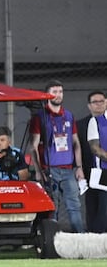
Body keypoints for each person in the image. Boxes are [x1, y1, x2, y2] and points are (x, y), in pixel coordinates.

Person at [28, 79, 85, 233]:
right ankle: (51, 242)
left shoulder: (69, 115)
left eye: (60, 91)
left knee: (74, 206)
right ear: (47, 95)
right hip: (49, 170)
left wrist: (79, 168)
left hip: (68, 170)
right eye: (54, 92)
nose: (58, 95)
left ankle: (80, 239)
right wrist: (39, 171)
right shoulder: (40, 117)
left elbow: (76, 143)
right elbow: (33, 146)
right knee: (52, 207)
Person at [77, 90, 105, 232]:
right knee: (92, 205)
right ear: (89, 105)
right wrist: (79, 168)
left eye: (102, 101)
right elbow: (79, 147)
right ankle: (93, 235)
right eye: (95, 102)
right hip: (89, 170)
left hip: (104, 170)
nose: (99, 104)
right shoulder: (81, 125)